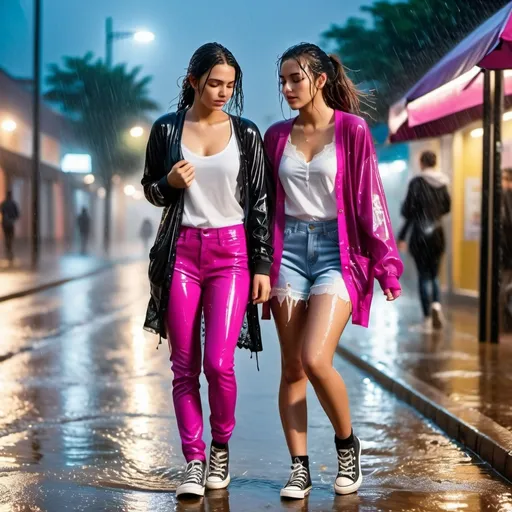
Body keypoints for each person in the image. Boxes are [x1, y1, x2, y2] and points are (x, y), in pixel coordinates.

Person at [263, 43, 402, 499]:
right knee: (291, 368)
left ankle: (347, 446)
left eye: (295, 79)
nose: (286, 89)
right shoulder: (276, 136)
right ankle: (299, 467)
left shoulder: (353, 130)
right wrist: (255, 264)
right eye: (282, 80)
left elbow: (371, 198)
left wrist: (386, 264)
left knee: (316, 359)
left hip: (337, 253)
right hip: (287, 255)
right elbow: (261, 206)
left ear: (320, 80)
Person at [141, 42, 273, 498]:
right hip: (182, 253)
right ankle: (194, 461)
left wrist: (261, 264)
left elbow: (259, 204)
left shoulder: (247, 133)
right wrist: (167, 183)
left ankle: (220, 447)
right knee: (184, 366)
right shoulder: (165, 129)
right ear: (193, 81)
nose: (222, 92)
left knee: (218, 363)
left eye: (230, 85)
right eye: (214, 83)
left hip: (232, 255)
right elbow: (151, 192)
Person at [398, 151, 451, 331]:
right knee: (434, 274)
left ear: (422, 163)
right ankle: (436, 304)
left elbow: (407, 211)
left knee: (423, 275)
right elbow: (447, 207)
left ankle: (427, 317)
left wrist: (402, 236)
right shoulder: (443, 183)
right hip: (437, 233)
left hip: (420, 234)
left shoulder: (417, 182)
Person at [501, 168, 512, 331]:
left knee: (505, 284)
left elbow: (506, 222)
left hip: (507, 249)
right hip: (507, 249)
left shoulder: (504, 196)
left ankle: (506, 317)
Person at [1, 190, 20, 263]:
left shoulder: (4, 204)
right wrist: (13, 218)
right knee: (10, 236)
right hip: (10, 223)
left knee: (7, 236)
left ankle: (8, 249)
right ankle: (9, 250)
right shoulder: (13, 204)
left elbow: (1, 211)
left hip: (5, 223)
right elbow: (17, 214)